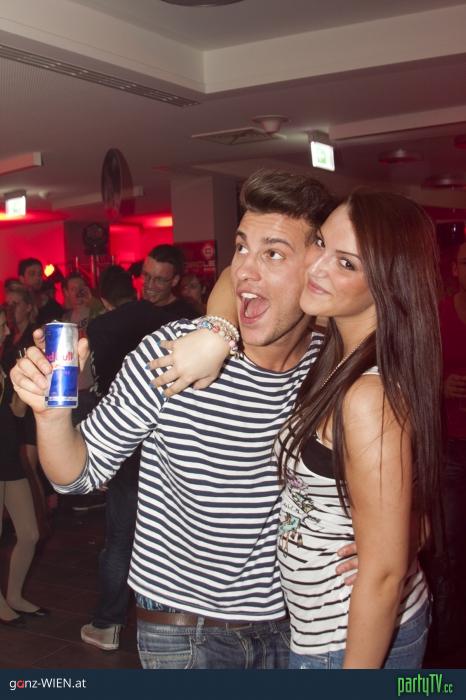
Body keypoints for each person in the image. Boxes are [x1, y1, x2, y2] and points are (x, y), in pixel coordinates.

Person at [11, 171, 357, 669]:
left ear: (317, 269)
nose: (245, 270)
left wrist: (382, 538)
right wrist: (50, 417)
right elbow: (78, 475)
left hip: (293, 626)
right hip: (187, 632)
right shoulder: (172, 352)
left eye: (274, 254)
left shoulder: (328, 366)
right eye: (242, 248)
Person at [153, 189, 442, 669]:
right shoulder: (331, 346)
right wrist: (217, 332)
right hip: (315, 629)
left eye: (345, 263)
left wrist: (392, 555)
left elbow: (384, 576)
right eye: (322, 244)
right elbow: (232, 276)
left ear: (386, 285)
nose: (317, 267)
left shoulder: (367, 396)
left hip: (346, 640)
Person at [80, 265, 197, 651]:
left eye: (159, 277)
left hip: (124, 442)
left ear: (104, 299)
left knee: (120, 538)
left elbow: (98, 390)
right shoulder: (179, 320)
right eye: (147, 276)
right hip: (171, 442)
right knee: (174, 529)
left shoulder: (102, 327)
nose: (151, 283)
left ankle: (108, 624)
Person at [428, 240, 466, 651]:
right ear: (455, 268)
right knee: (450, 546)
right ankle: (448, 639)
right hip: (451, 444)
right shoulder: (438, 315)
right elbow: (415, 372)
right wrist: (440, 386)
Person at [0, 305, 46, 625]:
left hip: (8, 457)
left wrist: (23, 387)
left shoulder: (4, 363)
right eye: (2, 325)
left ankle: (14, 596)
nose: (7, 330)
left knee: (29, 533)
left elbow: (15, 412)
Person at [17, 258, 63, 326]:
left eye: (40, 274)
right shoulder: (16, 307)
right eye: (32, 274)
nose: (37, 278)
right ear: (22, 279)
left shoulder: (53, 307)